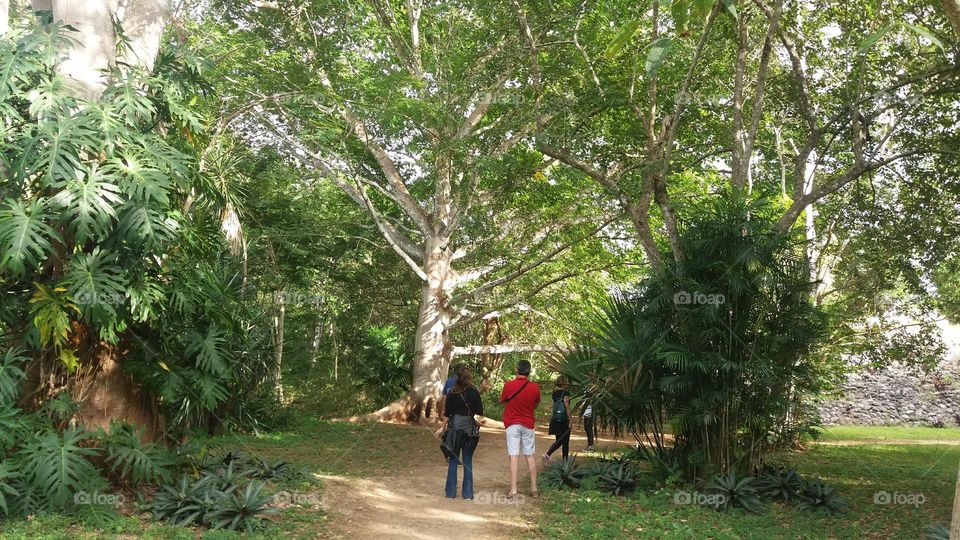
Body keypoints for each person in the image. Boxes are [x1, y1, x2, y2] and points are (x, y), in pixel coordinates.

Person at [438, 367, 483, 499]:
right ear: (469, 378)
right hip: (470, 431)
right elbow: (480, 411)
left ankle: (450, 493)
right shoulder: (474, 392)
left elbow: (447, 413)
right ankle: (468, 493)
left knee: (453, 459)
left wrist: (441, 428)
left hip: (454, 430)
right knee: (468, 460)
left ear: (457, 378)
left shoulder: (452, 392)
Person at [500, 359, 540, 499]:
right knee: (530, 455)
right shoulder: (535, 387)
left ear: (517, 370)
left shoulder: (508, 385)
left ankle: (513, 489)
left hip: (512, 423)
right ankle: (534, 488)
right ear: (529, 371)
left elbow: (503, 400)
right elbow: (536, 404)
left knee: (513, 456)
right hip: (528, 423)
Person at [543, 376, 572, 463]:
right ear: (563, 383)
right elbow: (567, 407)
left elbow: (553, 405)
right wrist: (570, 420)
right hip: (563, 421)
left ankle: (548, 454)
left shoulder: (554, 394)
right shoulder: (566, 394)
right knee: (565, 442)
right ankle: (564, 462)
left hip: (555, 419)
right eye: (566, 382)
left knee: (559, 440)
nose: (567, 383)